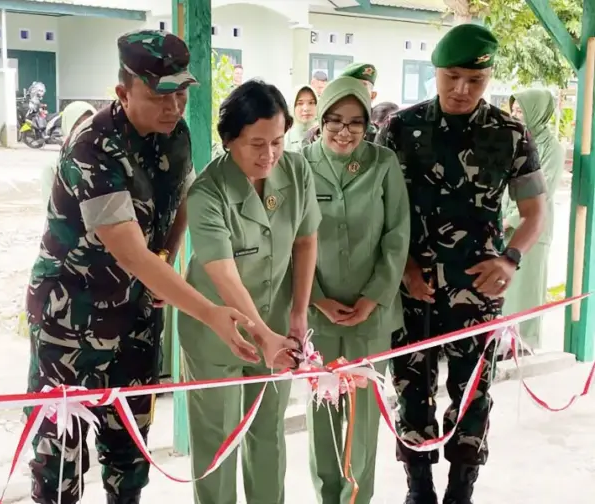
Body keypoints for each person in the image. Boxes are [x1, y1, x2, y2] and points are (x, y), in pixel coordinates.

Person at [25, 30, 294, 504]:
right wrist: (209, 311)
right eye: (157, 96)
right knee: (61, 459)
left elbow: (180, 201)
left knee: (129, 451)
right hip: (71, 319)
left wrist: (168, 256)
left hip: (136, 314)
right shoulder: (94, 148)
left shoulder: (177, 135)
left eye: (181, 93)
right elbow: (128, 251)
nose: (173, 107)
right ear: (122, 93)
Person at [376, 23, 546, 504]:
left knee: (474, 390)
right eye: (451, 77)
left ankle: (460, 490)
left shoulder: (510, 133)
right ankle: (419, 488)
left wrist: (511, 260)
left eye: (474, 80)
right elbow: (381, 210)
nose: (461, 90)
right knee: (411, 385)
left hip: (478, 287)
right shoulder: (399, 129)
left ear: (489, 76)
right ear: (436, 73)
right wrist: (404, 266)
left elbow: (535, 213)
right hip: (414, 285)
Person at [179, 80, 319, 504]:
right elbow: (224, 275)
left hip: (276, 320)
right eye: (256, 143)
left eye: (277, 141)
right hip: (216, 331)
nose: (269, 155)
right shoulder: (207, 193)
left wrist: (297, 314)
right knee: (218, 438)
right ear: (228, 141)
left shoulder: (295, 170)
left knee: (268, 430)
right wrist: (261, 335)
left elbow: (306, 239)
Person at [303, 76, 410, 504]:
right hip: (316, 316)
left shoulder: (383, 163)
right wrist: (314, 297)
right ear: (320, 120)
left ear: (369, 122)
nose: (344, 131)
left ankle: (356, 498)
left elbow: (397, 235)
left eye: (355, 122)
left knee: (363, 422)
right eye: (334, 120)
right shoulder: (297, 165)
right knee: (323, 416)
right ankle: (327, 497)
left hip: (372, 315)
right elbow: (289, 240)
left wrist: (374, 297)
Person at [503, 89, 564, 350]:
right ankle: (505, 344)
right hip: (505, 225)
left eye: (521, 112)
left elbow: (543, 189)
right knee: (506, 288)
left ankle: (525, 344)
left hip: (534, 229)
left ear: (536, 113)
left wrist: (512, 219)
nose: (516, 116)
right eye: (514, 111)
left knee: (528, 289)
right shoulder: (515, 140)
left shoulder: (553, 148)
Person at [40, 100, 97, 207]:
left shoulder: (106, 164)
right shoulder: (53, 168)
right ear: (68, 127)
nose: (84, 129)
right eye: (77, 125)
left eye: (89, 123)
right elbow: (52, 211)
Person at [306, 63, 379, 145]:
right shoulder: (314, 136)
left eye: (362, 88)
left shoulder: (378, 137)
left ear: (372, 96)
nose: (355, 95)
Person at [284, 84, 318, 151]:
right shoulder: (285, 139)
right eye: (300, 103)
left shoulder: (324, 136)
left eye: (311, 103)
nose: (306, 109)